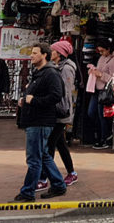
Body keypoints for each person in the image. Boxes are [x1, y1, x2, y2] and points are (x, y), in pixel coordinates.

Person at [13, 43, 67, 202]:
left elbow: (56, 96)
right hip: (33, 120)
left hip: (40, 122)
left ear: (44, 55)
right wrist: (26, 100)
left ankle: (28, 192)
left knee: (34, 159)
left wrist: (34, 100)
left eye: (35, 53)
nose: (31, 56)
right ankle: (58, 185)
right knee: (43, 156)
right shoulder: (39, 73)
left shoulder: (51, 73)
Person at [45, 40, 79, 186]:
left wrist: (59, 108)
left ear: (59, 54)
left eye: (52, 51)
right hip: (57, 112)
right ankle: (71, 172)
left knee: (50, 144)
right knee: (60, 143)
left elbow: (65, 92)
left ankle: (46, 177)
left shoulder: (66, 69)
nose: (49, 53)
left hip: (61, 112)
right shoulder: (56, 67)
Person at [86, 39, 114, 149]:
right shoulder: (102, 58)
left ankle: (104, 138)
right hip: (97, 90)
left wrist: (100, 74)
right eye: (99, 51)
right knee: (91, 113)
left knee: (103, 116)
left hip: (105, 92)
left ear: (108, 49)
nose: (101, 53)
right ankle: (101, 135)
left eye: (102, 51)